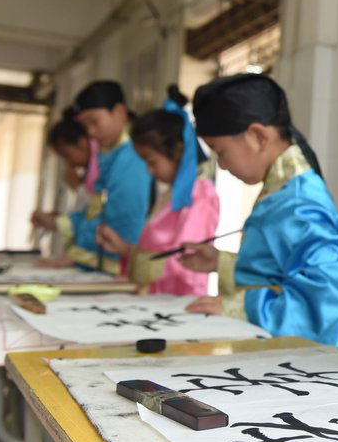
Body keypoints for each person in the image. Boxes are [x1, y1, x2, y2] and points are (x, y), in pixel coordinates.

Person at [178, 74, 338, 346]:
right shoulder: (283, 190)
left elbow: (326, 302)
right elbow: (279, 269)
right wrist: (220, 262)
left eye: (220, 151)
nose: (221, 165)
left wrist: (238, 308)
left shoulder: (299, 201)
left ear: (259, 136)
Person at [96, 85, 218, 295]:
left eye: (151, 161)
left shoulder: (200, 194)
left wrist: (128, 251)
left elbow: (185, 261)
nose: (148, 169)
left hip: (177, 303)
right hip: (155, 297)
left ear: (178, 150)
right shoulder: (169, 194)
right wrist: (125, 249)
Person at [34, 81, 152, 273]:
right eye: (85, 124)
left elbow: (125, 221)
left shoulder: (132, 157)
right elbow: (95, 212)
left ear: (119, 112)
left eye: (94, 121)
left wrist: (79, 255)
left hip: (119, 267)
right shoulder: (111, 154)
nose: (90, 131)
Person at [31, 108, 100, 233]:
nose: (69, 162)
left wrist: (78, 187)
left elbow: (95, 217)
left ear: (82, 143)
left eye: (66, 155)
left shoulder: (101, 169)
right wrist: (57, 218)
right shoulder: (88, 173)